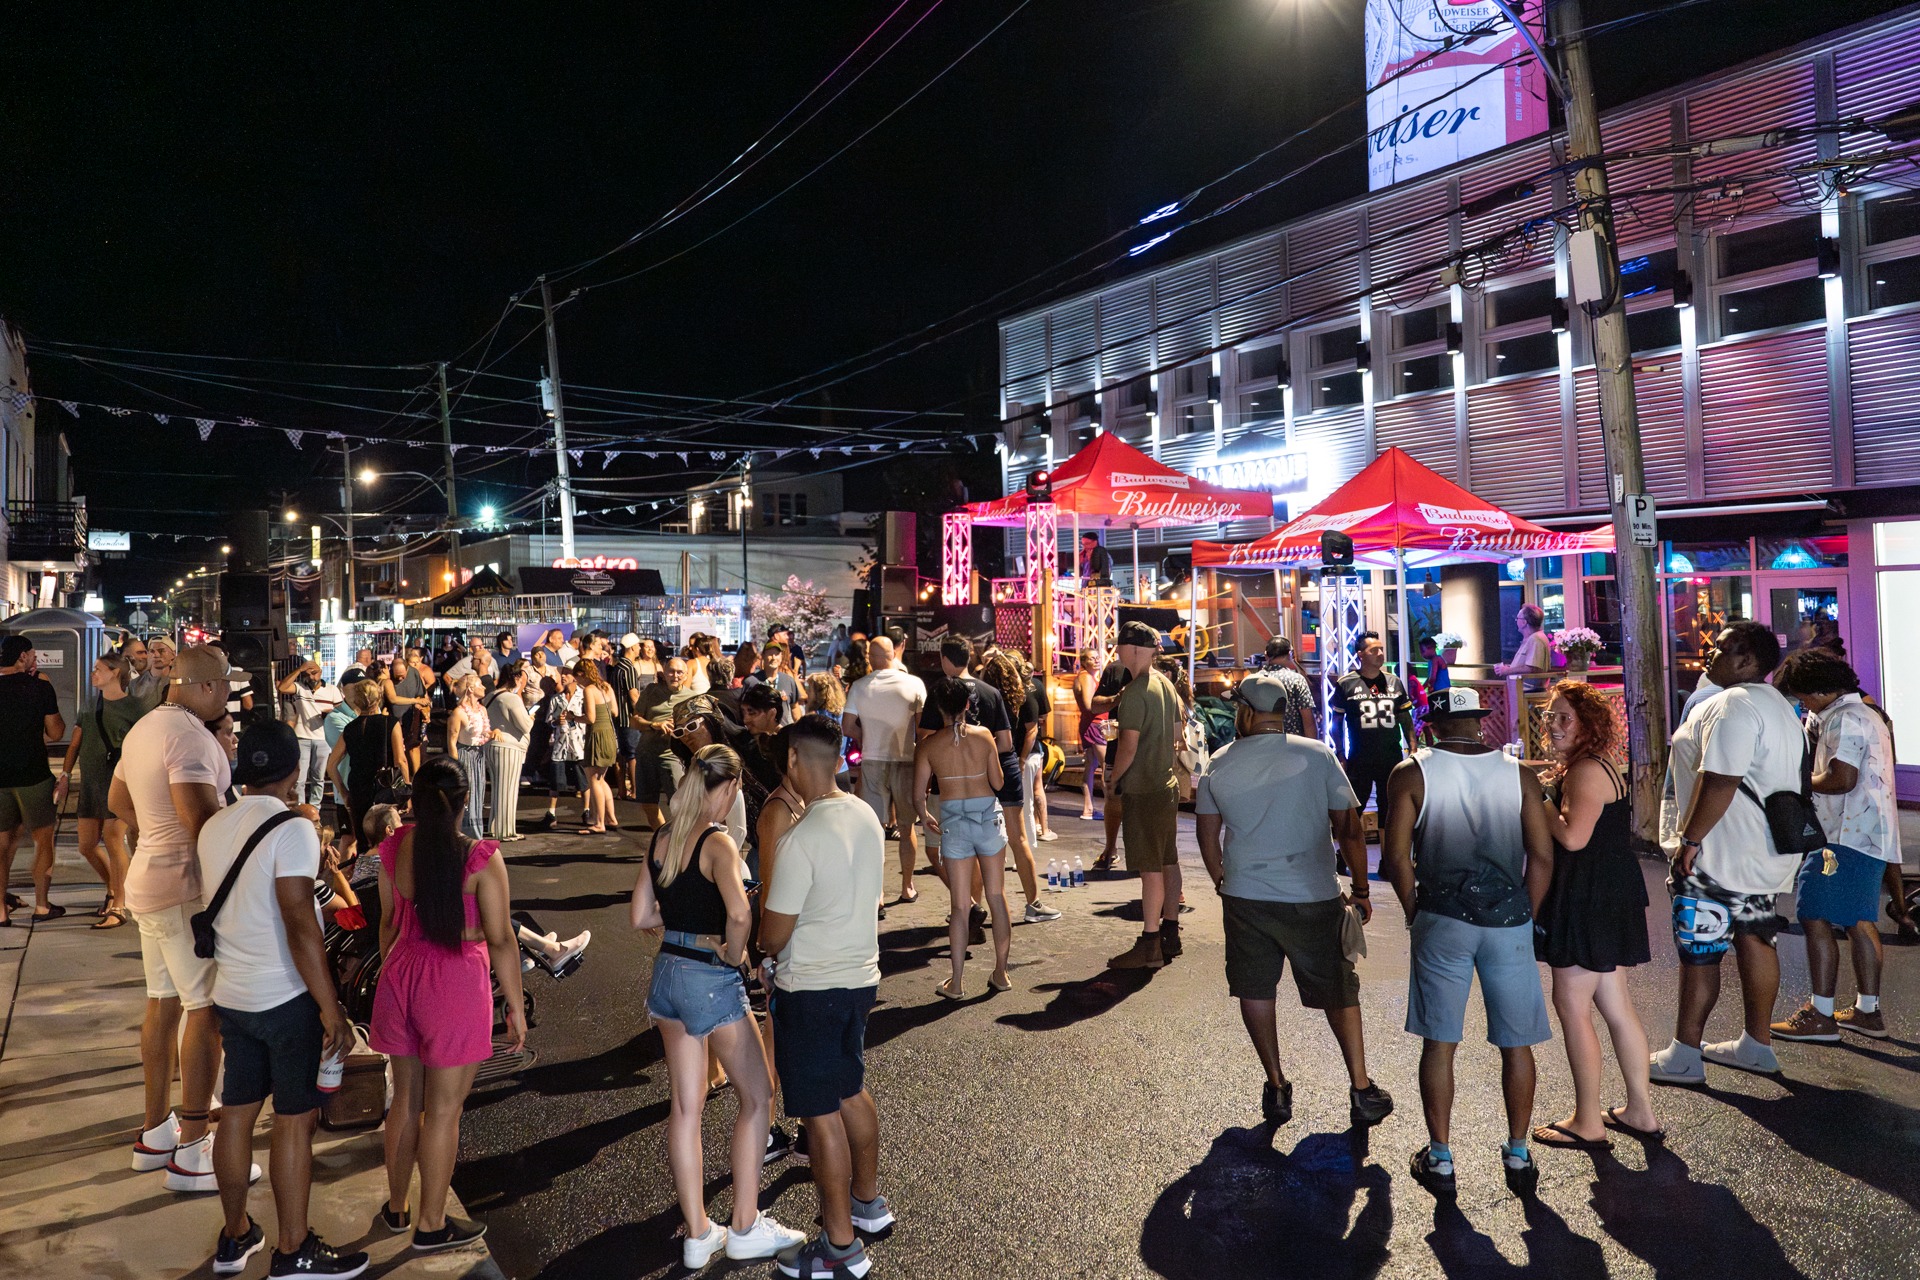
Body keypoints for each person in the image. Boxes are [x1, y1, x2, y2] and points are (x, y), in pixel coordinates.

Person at [198, 721, 367, 1278]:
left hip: (232, 994)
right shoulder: (292, 829)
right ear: (294, 771)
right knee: (294, 1121)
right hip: (286, 997)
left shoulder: (215, 826)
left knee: (237, 1115)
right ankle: (294, 1250)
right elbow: (300, 922)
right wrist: (330, 1007)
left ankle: (235, 1236)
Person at [629, 745, 804, 1268]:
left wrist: (684, 920)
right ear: (727, 788)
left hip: (667, 974)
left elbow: (640, 916)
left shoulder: (663, 838)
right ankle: (746, 1225)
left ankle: (699, 1233)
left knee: (686, 1108)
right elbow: (739, 915)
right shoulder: (718, 842)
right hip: (709, 979)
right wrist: (730, 952)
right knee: (759, 1094)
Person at [1196, 672, 1394, 1130]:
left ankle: (1277, 1083)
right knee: (1338, 989)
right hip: (1313, 894)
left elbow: (1208, 834)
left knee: (1255, 988)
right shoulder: (1316, 754)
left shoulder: (1220, 762)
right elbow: (1349, 828)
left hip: (1245, 896)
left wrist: (1221, 878)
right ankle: (1361, 1088)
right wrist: (1362, 890)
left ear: (1246, 712)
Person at [1380, 686, 1555, 1199]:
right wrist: (1525, 912)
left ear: (1432, 726)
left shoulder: (1411, 773)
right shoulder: (1519, 775)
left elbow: (1395, 856)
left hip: (1441, 918)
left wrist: (1414, 910)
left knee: (1440, 1042)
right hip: (1508, 921)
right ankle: (1518, 1152)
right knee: (1516, 1043)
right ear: (1480, 723)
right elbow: (1542, 856)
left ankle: (1440, 1158)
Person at [108, 645, 254, 1192]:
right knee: (205, 1010)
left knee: (162, 1001)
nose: (229, 696)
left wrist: (155, 829)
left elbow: (118, 799)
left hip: (149, 883)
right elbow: (203, 823)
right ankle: (194, 1147)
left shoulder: (145, 728)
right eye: (226, 686)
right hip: (184, 889)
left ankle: (155, 1131)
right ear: (207, 687)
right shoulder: (190, 737)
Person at [370, 756, 526, 1253]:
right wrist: (516, 1005)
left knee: (405, 1100)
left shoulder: (395, 847)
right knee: (442, 1111)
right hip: (454, 983)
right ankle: (432, 1225)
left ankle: (398, 1208)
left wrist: (394, 972)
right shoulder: (479, 857)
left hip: (400, 972)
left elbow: (389, 922)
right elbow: (501, 938)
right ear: (464, 802)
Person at [758, 714, 894, 1279]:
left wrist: (760, 945)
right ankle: (867, 1204)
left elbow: (773, 935)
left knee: (819, 1115)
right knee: (850, 1088)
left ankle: (840, 1248)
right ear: (837, 759)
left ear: (792, 760)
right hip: (860, 978)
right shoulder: (865, 815)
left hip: (811, 986)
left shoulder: (800, 838)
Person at [1652, 621, 1806, 1084]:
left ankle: (1684, 1054)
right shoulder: (1779, 706)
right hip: (1762, 850)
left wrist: (1690, 840)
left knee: (1700, 951)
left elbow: (1720, 779)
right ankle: (1756, 1044)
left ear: (1746, 660)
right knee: (1757, 938)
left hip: (1719, 852)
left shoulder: (1733, 704)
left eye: (1719, 647)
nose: (1708, 654)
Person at [1530, 681, 1660, 1147]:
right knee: (1616, 1007)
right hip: (1609, 892)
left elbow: (1572, 837)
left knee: (1573, 1006)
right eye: (1551, 716)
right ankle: (1639, 1111)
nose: (1554, 725)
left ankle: (1587, 1120)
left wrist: (1538, 797)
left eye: (1566, 717)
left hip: (1587, 897)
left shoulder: (1585, 771)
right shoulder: (1601, 764)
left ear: (1589, 724)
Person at [1769, 648, 1899, 1042]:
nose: (1802, 704)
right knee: (1859, 920)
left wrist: (1796, 784)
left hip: (1843, 834)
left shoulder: (1846, 719)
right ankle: (1867, 1011)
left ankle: (1820, 1014)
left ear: (1820, 690)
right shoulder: (1864, 713)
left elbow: (1842, 778)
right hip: (1868, 834)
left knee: (1814, 915)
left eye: (1803, 696)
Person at [915, 679, 1012, 998]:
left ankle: (956, 982)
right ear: (968, 704)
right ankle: (1001, 973)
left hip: (954, 822)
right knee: (996, 896)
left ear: (938, 708)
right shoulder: (984, 736)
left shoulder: (928, 745)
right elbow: (998, 782)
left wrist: (925, 816)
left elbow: (918, 795)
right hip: (987, 818)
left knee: (959, 906)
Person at [1107, 622, 1185, 970]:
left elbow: (1128, 745)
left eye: (1120, 646)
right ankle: (1170, 934)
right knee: (1168, 860)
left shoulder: (1135, 691)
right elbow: (1179, 732)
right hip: (1166, 784)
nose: (1117, 651)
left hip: (1143, 788)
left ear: (1135, 649)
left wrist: (1113, 780)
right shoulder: (1165, 683)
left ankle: (1150, 944)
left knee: (1150, 869)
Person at [61, 651, 143, 929]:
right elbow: (76, 742)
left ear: (115, 673)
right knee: (86, 845)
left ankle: (119, 904)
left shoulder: (135, 707)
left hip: (119, 783)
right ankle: (114, 887)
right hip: (91, 783)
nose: (93, 673)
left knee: (113, 839)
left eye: (98, 669)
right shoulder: (89, 704)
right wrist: (65, 774)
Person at [842, 637, 928, 903]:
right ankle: (907, 885)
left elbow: (847, 727)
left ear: (871, 657)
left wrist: (866, 738)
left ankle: (877, 892)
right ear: (894, 654)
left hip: (872, 761)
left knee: (875, 829)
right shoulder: (914, 684)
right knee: (907, 827)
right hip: (906, 760)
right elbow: (922, 729)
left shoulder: (859, 686)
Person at [982, 649, 1056, 922]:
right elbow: (1028, 731)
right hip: (1010, 764)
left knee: (982, 840)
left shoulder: (983, 698)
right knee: (1019, 838)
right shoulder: (1019, 696)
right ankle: (1033, 904)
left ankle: (974, 907)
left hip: (984, 767)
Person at [0, 636, 68, 924]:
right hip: (33, 775)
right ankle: (42, 905)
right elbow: (56, 732)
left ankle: (0, 911)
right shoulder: (39, 687)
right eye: (32, 655)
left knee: (2, 842)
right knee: (43, 840)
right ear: (23, 657)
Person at [1330, 631, 1414, 823]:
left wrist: (1413, 748)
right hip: (1360, 757)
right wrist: (1340, 753)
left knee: (1390, 810)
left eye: (1381, 649)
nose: (1380, 654)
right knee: (1353, 810)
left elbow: (1405, 718)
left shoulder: (1394, 681)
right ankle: (1349, 844)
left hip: (1391, 756)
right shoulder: (1346, 683)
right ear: (1360, 654)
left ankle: (1387, 844)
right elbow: (1336, 723)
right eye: (1374, 650)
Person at [326, 679, 407, 855]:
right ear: (378, 698)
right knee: (389, 840)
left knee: (364, 842)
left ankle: (364, 871)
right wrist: (406, 790)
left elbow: (331, 765)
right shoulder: (390, 723)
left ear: (356, 700)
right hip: (384, 788)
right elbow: (401, 761)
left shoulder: (350, 728)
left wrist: (344, 793)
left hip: (358, 789)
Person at [636, 655, 697, 829]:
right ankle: (662, 837)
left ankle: (678, 840)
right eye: (671, 671)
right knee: (648, 804)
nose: (675, 676)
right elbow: (634, 720)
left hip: (672, 756)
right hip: (646, 754)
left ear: (686, 675)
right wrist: (653, 725)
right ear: (664, 672)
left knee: (678, 805)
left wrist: (680, 727)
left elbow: (697, 730)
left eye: (679, 672)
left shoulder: (692, 698)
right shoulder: (650, 691)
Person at [484, 662, 533, 842]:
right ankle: (505, 831)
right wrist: (531, 717)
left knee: (499, 789)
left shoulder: (490, 696)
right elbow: (525, 725)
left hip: (492, 745)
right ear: (516, 678)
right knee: (508, 790)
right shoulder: (511, 698)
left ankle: (495, 827)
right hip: (509, 747)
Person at [277, 658, 330, 808]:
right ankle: (301, 807)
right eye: (309, 674)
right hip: (302, 737)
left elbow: (340, 711)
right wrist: (299, 670)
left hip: (322, 738)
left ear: (321, 672)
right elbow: (282, 687)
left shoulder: (331, 690)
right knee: (300, 778)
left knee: (318, 777)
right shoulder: (300, 687)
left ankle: (315, 809)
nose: (312, 677)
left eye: (315, 673)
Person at [540, 667, 587, 830]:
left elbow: (590, 717)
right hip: (560, 743)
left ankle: (587, 810)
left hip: (579, 743)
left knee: (583, 781)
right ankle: (551, 813)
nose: (563, 677)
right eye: (562, 675)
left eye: (567, 674)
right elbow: (549, 720)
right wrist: (556, 722)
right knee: (556, 780)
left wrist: (575, 719)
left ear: (574, 677)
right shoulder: (556, 698)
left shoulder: (583, 696)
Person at [1016, 652, 1056, 844]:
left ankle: (1031, 833)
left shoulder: (1007, 688)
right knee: (1037, 788)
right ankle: (1044, 829)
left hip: (1020, 748)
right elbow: (1043, 716)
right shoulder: (1036, 686)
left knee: (1024, 796)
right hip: (1032, 747)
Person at [576, 658, 620, 835]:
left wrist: (573, 717)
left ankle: (599, 823)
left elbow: (590, 718)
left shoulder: (589, 690)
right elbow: (615, 712)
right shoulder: (606, 687)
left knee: (594, 780)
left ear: (581, 674)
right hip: (609, 735)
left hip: (596, 736)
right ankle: (611, 818)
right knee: (601, 779)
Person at [447, 674, 493, 838]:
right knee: (467, 795)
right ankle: (464, 835)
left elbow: (484, 733)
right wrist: (457, 768)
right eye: (480, 684)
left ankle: (476, 834)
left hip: (479, 755)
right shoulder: (458, 713)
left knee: (478, 794)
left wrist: (493, 733)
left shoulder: (482, 710)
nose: (484, 687)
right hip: (464, 756)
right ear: (471, 689)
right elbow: (452, 742)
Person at [1072, 648, 1108, 822]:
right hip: (1095, 725)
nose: (1097, 660)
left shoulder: (1086, 677)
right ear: (1084, 662)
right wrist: (1111, 701)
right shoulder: (1086, 677)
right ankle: (1112, 808)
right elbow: (1088, 705)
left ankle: (1088, 809)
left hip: (1091, 725)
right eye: (1092, 658)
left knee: (1091, 766)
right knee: (1107, 766)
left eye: (1098, 657)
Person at [610, 634, 646, 801]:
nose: (640, 648)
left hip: (618, 718)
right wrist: (641, 713)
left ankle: (621, 790)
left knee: (621, 755)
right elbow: (633, 695)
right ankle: (635, 790)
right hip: (629, 718)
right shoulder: (629, 669)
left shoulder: (617, 667)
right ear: (632, 648)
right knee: (632, 755)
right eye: (638, 646)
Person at [1261, 637, 1319, 738]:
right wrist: (1314, 744)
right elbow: (1308, 720)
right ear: (1290, 654)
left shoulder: (1253, 680)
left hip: (1261, 743)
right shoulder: (1296, 680)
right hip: (1292, 742)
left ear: (1266, 655)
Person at [1495, 603, 1554, 690]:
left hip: (1527, 692)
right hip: (1521, 690)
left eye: (1517, 619)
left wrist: (1507, 670)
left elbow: (1532, 668)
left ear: (1524, 622)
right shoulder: (1532, 638)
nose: (1516, 621)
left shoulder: (1536, 639)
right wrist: (1509, 667)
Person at [749, 642, 805, 725]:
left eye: (777, 654)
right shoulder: (751, 681)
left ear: (781, 657)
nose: (774, 658)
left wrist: (799, 727)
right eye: (770, 654)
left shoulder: (789, 681)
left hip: (783, 731)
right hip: (760, 731)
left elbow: (795, 707)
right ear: (763, 656)